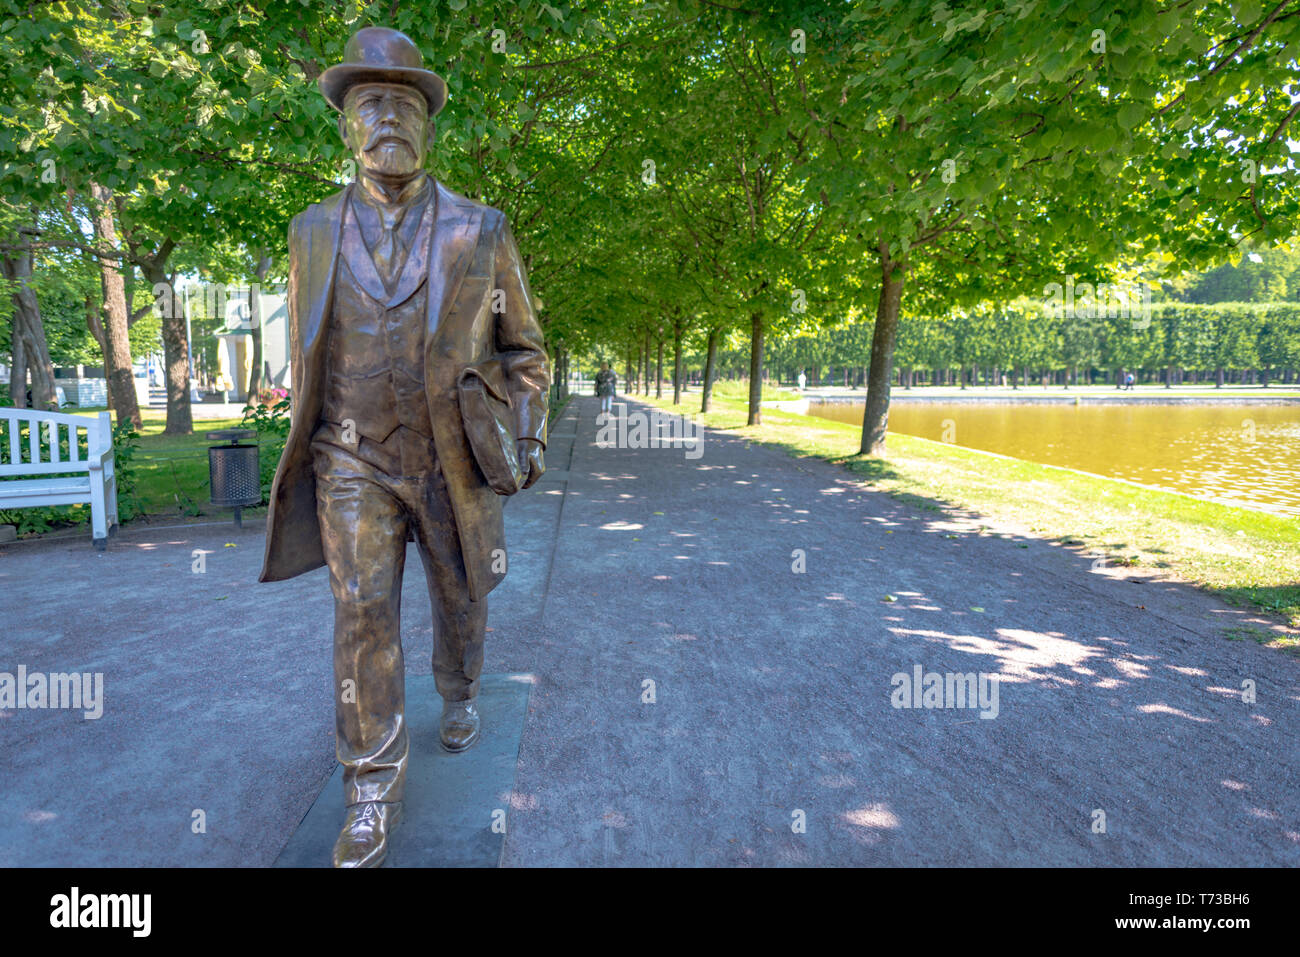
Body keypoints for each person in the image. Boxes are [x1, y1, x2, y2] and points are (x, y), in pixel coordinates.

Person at [258, 27, 549, 868]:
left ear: (429, 123)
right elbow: (315, 344)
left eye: (405, 105)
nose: (388, 119)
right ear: (345, 124)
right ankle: (372, 781)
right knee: (361, 610)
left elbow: (524, 351)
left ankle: (459, 687)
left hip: (449, 455)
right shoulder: (310, 231)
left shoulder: (480, 229)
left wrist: (524, 432)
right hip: (349, 457)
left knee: (461, 592)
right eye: (369, 105)